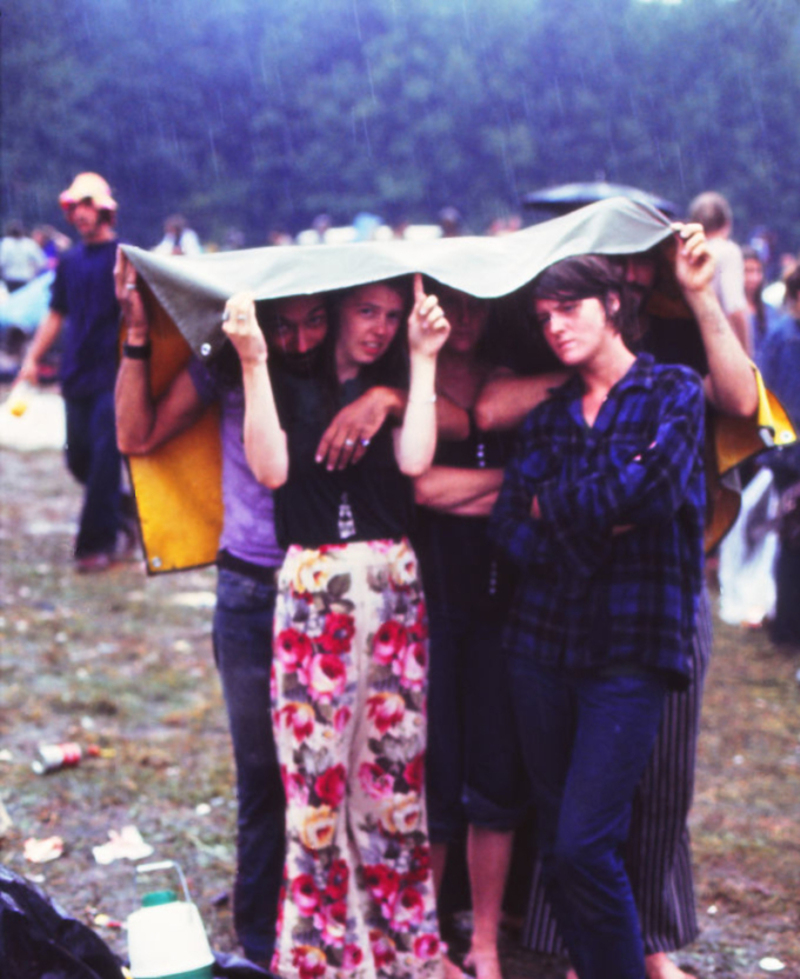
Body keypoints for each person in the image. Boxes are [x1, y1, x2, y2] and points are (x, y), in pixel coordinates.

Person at [114, 256, 419, 968]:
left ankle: (328, 930)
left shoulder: (354, 368)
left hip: (338, 592)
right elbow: (136, 434)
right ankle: (259, 939)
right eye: (285, 323)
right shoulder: (231, 365)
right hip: (255, 587)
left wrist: (390, 400)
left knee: (349, 775)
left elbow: (442, 403)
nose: (300, 338)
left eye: (315, 319)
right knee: (264, 774)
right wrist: (136, 336)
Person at [476, 224, 759, 979]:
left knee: (584, 840)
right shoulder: (546, 416)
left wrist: (556, 508)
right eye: (543, 316)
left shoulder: (670, 391)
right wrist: (603, 514)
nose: (555, 325)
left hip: (633, 647)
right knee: (566, 842)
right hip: (540, 647)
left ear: (611, 304)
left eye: (568, 307)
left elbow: (660, 488)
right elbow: (510, 526)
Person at [222, 275, 453, 979]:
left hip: (391, 583)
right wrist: (254, 360)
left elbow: (416, 460)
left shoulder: (395, 384)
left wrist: (424, 357)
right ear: (336, 309)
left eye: (389, 314)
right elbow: (269, 468)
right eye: (365, 311)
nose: (378, 327)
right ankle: (324, 957)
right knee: (316, 779)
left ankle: (406, 954)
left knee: (392, 774)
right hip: (316, 587)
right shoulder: (290, 382)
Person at [412, 285, 522, 979]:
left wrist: (474, 484)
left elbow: (536, 492)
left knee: (495, 774)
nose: (469, 319)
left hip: (502, 599)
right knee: (434, 773)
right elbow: (419, 488)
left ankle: (483, 941)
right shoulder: (411, 381)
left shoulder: (511, 381)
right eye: (457, 303)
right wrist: (509, 483)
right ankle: (428, 936)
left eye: (482, 305)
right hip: (427, 600)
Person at [17, 173, 131, 573]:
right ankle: (128, 510)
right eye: (75, 208)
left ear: (103, 210)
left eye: (88, 206)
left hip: (115, 373)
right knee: (78, 459)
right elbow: (56, 313)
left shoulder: (124, 256)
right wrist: (33, 358)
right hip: (76, 370)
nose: (81, 215)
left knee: (103, 459)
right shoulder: (69, 260)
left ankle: (95, 546)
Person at [757, 266, 800, 645]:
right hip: (790, 457)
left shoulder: (779, 337)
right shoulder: (781, 339)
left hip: (787, 453)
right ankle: (787, 627)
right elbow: (765, 395)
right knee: (791, 541)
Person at [687, 192, 749, 356]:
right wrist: (746, 354)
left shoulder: (685, 253)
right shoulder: (728, 251)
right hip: (719, 346)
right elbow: (735, 309)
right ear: (727, 224)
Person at [743, 246, 782, 365]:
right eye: (748, 271)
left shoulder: (769, 311)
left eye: (758, 271)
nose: (754, 278)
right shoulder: (730, 311)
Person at [0, 219, 47, 292]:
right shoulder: (29, 244)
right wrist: (34, 272)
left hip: (10, 279)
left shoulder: (5, 244)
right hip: (25, 279)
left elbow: (1, 262)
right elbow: (41, 262)